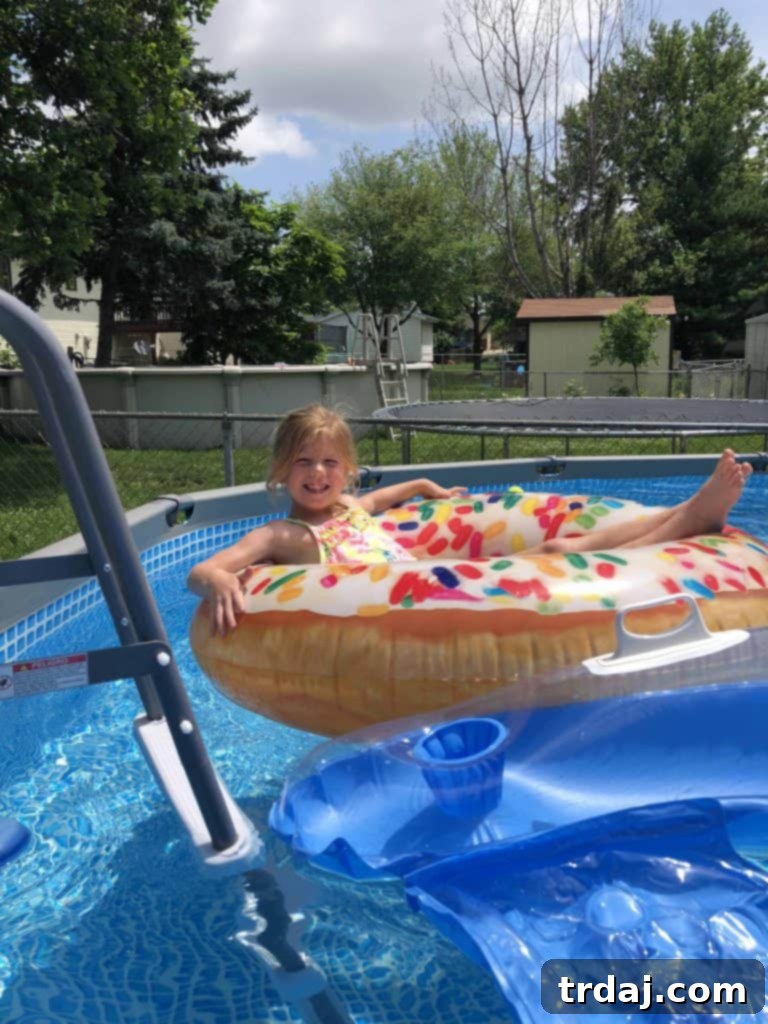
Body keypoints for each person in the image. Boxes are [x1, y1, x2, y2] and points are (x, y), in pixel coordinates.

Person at [187, 404, 752, 635]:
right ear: (282, 471)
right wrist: (215, 579)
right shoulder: (284, 535)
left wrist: (428, 487)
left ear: (348, 470)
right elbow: (208, 568)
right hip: (416, 606)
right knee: (560, 554)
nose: (317, 474)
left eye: (330, 463)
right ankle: (685, 518)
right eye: (303, 464)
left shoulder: (350, 507)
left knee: (572, 540)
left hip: (441, 580)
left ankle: (683, 513)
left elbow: (392, 496)